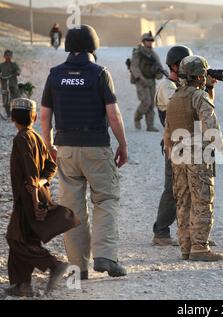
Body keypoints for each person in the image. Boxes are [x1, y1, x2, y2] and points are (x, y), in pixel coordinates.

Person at [40, 25, 128, 279]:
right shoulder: (100, 73)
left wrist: (48, 146)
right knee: (105, 199)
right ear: (93, 46)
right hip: (96, 148)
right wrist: (122, 143)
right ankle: (106, 257)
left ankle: (78, 267)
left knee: (72, 208)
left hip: (65, 149)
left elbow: (45, 115)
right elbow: (113, 113)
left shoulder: (55, 74)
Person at [164, 55, 223, 261]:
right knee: (202, 199)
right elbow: (210, 124)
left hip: (177, 154)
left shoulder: (175, 97)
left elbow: (167, 131)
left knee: (184, 201)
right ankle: (200, 246)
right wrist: (222, 147)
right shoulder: (199, 97)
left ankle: (186, 246)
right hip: (197, 154)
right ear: (200, 76)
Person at [5, 98, 70, 297]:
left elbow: (30, 173)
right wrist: (42, 184)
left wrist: (35, 202)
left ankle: (54, 264)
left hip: (29, 198)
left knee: (15, 239)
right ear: (33, 117)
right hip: (37, 193)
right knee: (25, 237)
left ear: (12, 117)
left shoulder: (21, 138)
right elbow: (52, 166)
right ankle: (22, 285)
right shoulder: (36, 136)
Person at [152, 45, 193, 246]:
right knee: (173, 188)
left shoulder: (185, 87)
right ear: (175, 66)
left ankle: (192, 232)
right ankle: (160, 230)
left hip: (190, 142)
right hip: (174, 143)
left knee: (191, 188)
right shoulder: (166, 87)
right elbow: (180, 110)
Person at [130, 31, 165, 132]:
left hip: (151, 81)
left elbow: (159, 68)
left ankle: (150, 125)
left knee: (151, 104)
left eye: (151, 41)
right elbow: (134, 66)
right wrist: (141, 78)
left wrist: (159, 73)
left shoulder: (154, 55)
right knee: (146, 102)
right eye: (147, 41)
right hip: (141, 81)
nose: (150, 43)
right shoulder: (138, 53)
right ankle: (137, 117)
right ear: (143, 41)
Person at [0, 50, 21, 118]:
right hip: (4, 85)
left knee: (16, 98)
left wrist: (17, 72)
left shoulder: (14, 64)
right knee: (5, 100)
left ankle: (16, 114)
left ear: (11, 56)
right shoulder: (1, 65)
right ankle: (8, 114)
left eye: (9, 55)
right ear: (4, 56)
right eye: (6, 55)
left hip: (13, 84)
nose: (8, 57)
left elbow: (18, 70)